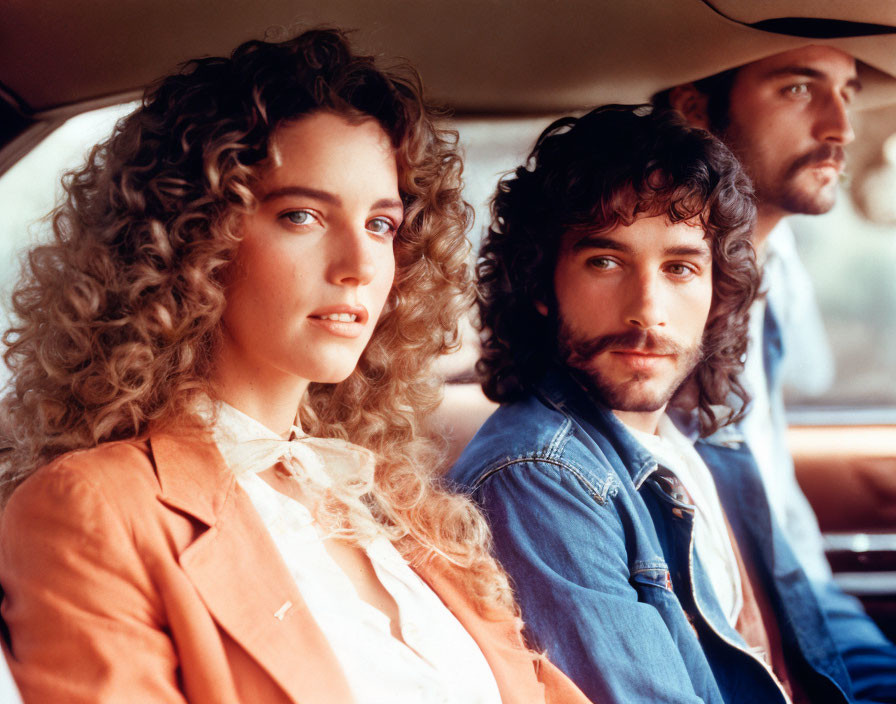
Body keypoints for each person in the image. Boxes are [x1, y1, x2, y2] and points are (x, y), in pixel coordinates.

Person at [0, 29, 590, 704]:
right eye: (303, 216)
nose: (360, 267)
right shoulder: (92, 508)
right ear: (193, 239)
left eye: (381, 225)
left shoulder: (400, 509)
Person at [450, 105, 871, 703]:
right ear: (542, 283)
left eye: (679, 267)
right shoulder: (540, 478)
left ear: (716, 292)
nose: (647, 308)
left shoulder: (705, 439)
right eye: (606, 261)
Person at [656, 45, 896, 701]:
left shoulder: (772, 263)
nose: (839, 128)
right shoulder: (650, 335)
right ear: (695, 110)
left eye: (846, 92)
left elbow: (813, 373)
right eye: (797, 89)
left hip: (817, 611)